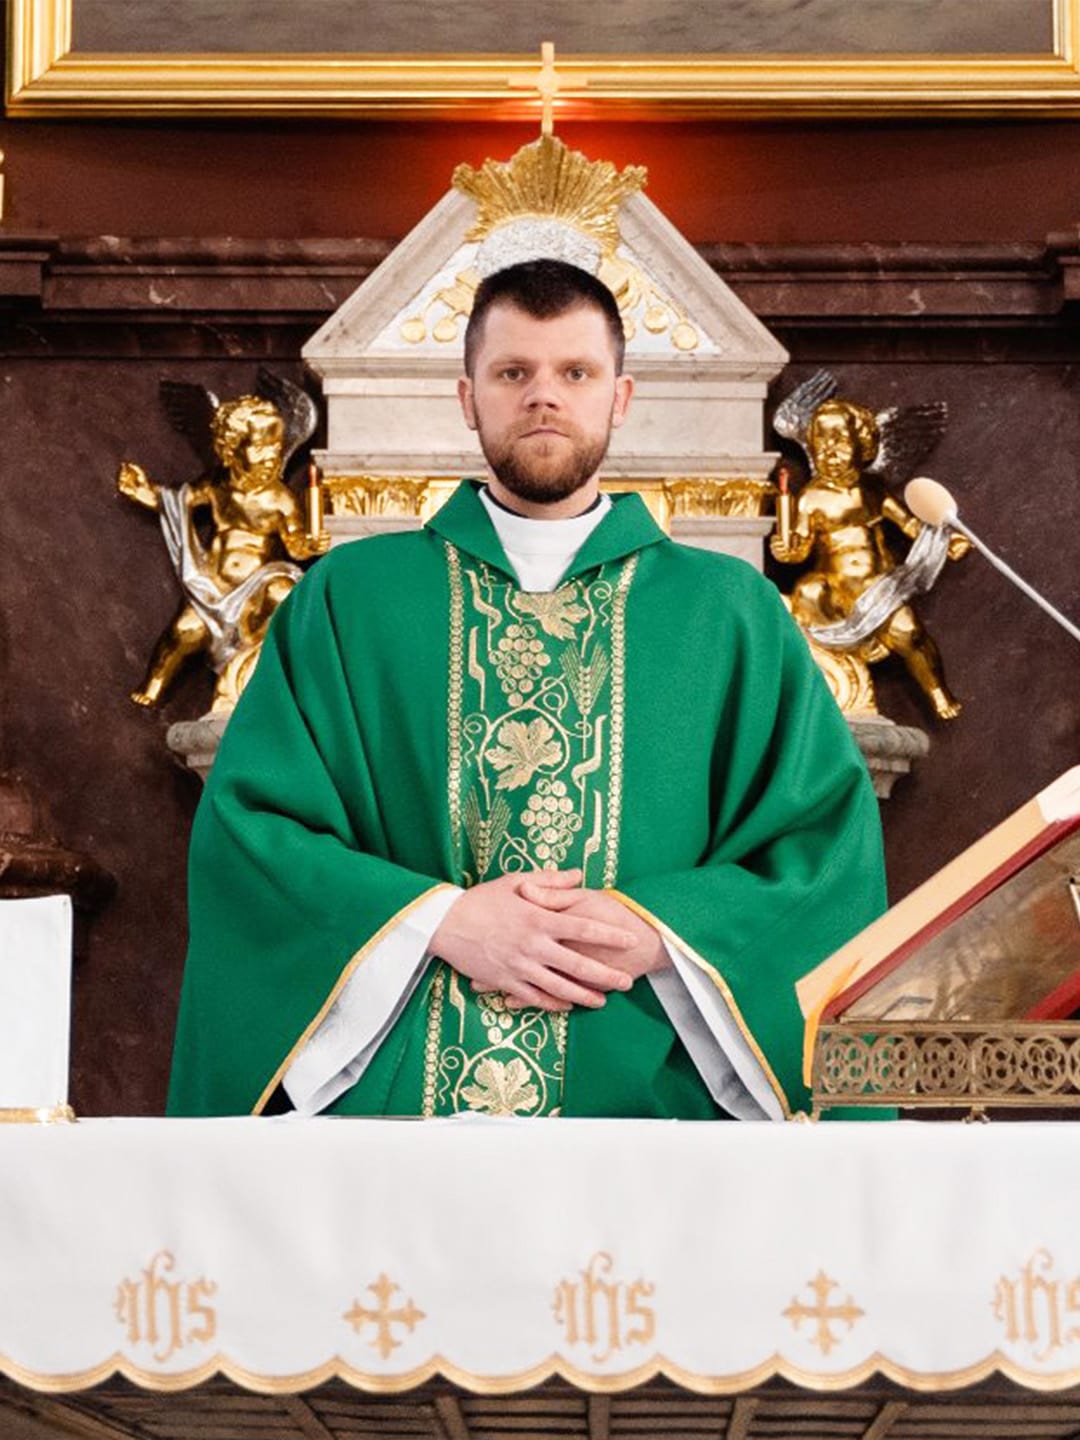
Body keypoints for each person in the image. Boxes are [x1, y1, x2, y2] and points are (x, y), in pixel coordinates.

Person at [167, 259, 886, 1122]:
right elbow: (251, 835)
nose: (544, 397)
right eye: (514, 373)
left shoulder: (729, 612)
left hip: (648, 1083)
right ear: (468, 398)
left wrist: (662, 932)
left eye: (574, 373)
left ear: (620, 398)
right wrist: (438, 921)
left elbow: (822, 852)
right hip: (399, 1100)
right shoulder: (350, 599)